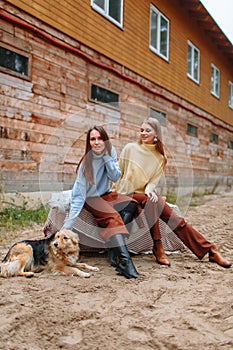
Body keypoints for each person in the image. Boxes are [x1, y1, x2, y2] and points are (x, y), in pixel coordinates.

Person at [113, 117, 231, 269]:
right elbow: (118, 172)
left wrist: (149, 190)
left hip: (143, 195)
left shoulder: (160, 158)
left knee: (173, 218)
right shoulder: (130, 148)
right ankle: (159, 246)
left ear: (156, 134)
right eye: (141, 130)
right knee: (153, 202)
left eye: (147, 130)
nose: (143, 133)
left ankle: (210, 250)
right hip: (125, 193)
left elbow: (153, 180)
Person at [62, 125, 140, 279]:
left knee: (131, 204)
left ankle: (112, 250)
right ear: (89, 143)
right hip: (90, 199)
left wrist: (107, 158)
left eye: (100, 138)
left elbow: (115, 177)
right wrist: (67, 225)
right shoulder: (85, 164)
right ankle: (125, 262)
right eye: (93, 139)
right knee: (113, 217)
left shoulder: (110, 153)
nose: (97, 142)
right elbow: (78, 196)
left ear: (105, 140)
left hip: (106, 194)